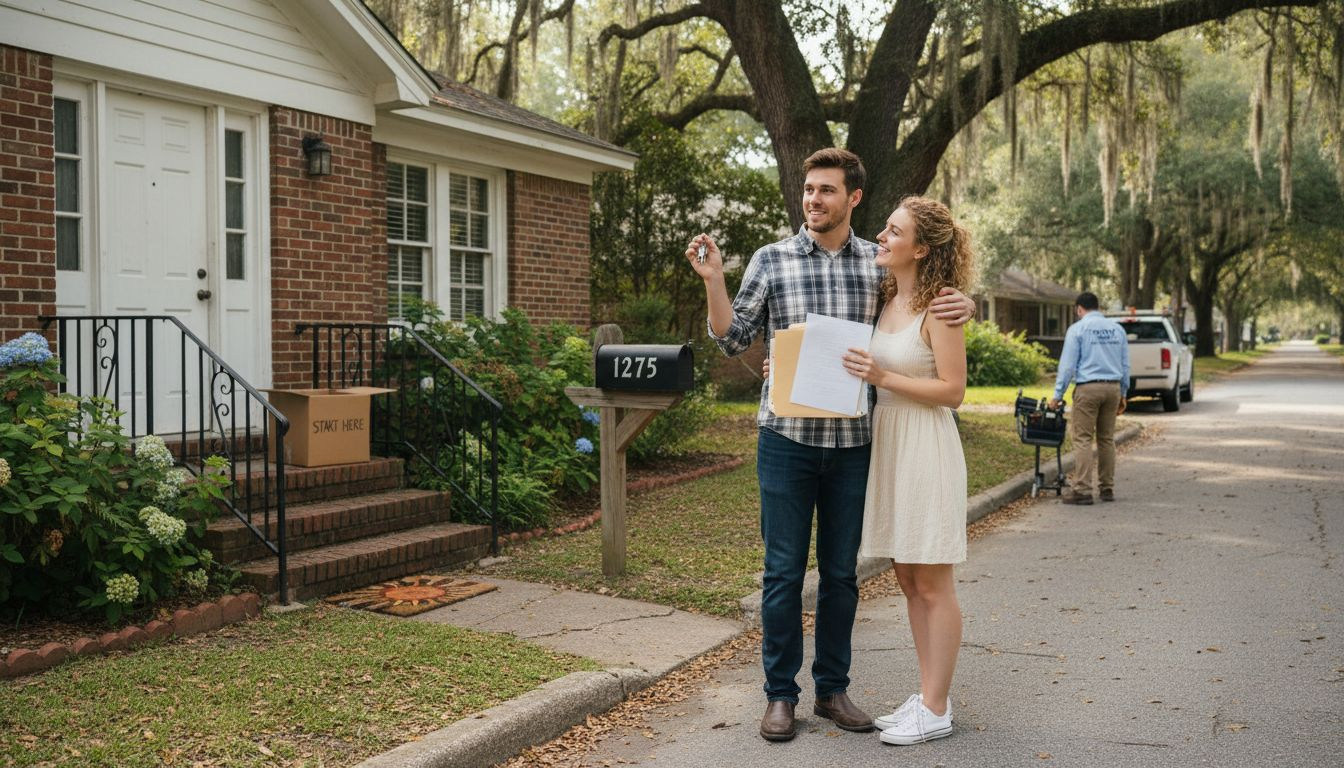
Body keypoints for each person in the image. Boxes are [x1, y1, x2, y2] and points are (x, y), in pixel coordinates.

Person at [685, 148, 975, 743]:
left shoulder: (877, 264)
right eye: (808, 189)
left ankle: (834, 689)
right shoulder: (772, 260)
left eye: (826, 190)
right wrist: (715, 280)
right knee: (783, 573)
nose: (813, 199)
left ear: (853, 198)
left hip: (853, 444)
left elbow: (927, 301)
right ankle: (780, 696)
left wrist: (965, 301)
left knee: (842, 575)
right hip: (786, 441)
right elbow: (731, 336)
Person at [841, 196, 972, 746]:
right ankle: (925, 695)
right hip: (889, 444)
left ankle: (938, 708)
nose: (881, 237)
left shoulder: (941, 306)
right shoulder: (885, 294)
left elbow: (954, 391)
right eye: (885, 228)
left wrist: (882, 378)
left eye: (894, 231)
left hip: (926, 446)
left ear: (920, 248)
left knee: (934, 582)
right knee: (907, 579)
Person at [1048, 292, 1130, 505]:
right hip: (1113, 387)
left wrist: (1058, 395)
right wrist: (1124, 392)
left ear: (1079, 309)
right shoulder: (1117, 329)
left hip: (1088, 388)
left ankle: (1083, 489)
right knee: (1106, 438)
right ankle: (1107, 488)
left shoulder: (1078, 329)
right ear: (1098, 306)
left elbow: (1067, 366)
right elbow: (1125, 365)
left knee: (1083, 438)